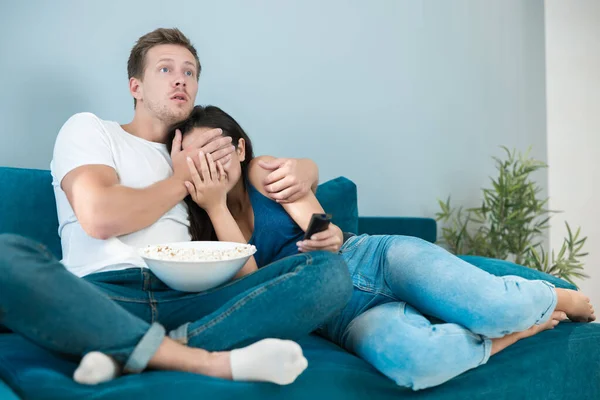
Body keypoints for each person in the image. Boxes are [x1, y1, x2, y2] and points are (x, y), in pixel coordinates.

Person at [0, 28, 353, 386]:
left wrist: (309, 170)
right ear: (135, 87)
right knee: (5, 257)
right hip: (102, 294)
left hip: (194, 299)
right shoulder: (92, 131)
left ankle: (131, 351)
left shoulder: (204, 149)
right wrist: (179, 179)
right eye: (165, 69)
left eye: (190, 72)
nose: (180, 80)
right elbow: (100, 217)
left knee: (328, 273)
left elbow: (264, 180)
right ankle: (203, 361)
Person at [153, 104, 594, 391]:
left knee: (494, 307)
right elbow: (256, 288)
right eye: (195, 157)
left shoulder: (263, 173)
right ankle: (526, 328)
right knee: (416, 363)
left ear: (242, 148)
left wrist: (328, 234)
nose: (209, 163)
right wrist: (213, 206)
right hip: (339, 315)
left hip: (372, 258)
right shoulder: (199, 234)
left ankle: (557, 298)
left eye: (217, 149)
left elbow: (322, 226)